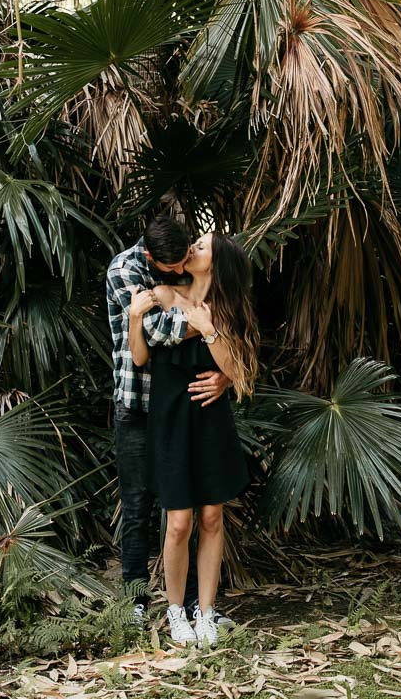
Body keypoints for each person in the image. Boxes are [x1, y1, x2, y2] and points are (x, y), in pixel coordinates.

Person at [126, 231, 258, 647]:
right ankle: (175, 611)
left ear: (215, 263)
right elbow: (140, 356)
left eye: (202, 247)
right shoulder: (163, 294)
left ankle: (206, 611)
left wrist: (208, 330)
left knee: (212, 517)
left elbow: (238, 369)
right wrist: (135, 317)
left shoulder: (226, 308)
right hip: (170, 419)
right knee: (179, 522)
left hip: (210, 420)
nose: (192, 249)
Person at [105, 215, 231, 624]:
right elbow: (156, 335)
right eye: (172, 266)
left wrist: (228, 371)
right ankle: (137, 600)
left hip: (181, 407)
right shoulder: (125, 271)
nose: (179, 270)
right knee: (139, 504)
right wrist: (210, 320)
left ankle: (197, 603)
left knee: (189, 507)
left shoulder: (178, 279)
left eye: (184, 261)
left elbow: (236, 346)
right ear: (148, 255)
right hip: (137, 402)